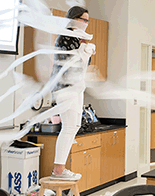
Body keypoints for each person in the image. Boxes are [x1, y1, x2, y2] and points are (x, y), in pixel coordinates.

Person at [50, 6, 95, 180]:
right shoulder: (66, 36)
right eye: (83, 20)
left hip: (76, 86)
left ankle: (60, 168)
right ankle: (58, 169)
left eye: (87, 21)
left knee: (74, 126)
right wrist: (83, 49)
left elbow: (83, 66)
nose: (85, 24)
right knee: (68, 126)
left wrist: (85, 49)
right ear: (73, 19)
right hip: (65, 87)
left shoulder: (80, 39)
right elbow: (68, 63)